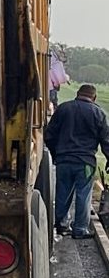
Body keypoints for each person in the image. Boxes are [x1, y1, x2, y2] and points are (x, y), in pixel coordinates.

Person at [45, 84, 109, 239]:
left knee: (62, 192)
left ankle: (60, 225)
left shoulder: (63, 109)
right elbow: (106, 141)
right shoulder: (98, 113)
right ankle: (80, 229)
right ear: (94, 98)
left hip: (64, 160)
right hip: (85, 162)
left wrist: (56, 154)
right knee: (83, 194)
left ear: (78, 94)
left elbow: (49, 135)